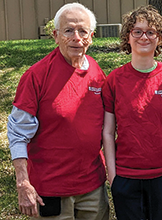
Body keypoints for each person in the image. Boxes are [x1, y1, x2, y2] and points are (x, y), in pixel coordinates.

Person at [7, 3, 109, 219]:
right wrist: (23, 182)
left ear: (91, 36)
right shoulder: (36, 76)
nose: (76, 37)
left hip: (93, 187)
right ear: (55, 35)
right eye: (68, 30)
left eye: (83, 31)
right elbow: (17, 134)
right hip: (50, 190)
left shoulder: (97, 73)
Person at [102, 5, 162, 220]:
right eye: (136, 31)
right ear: (128, 37)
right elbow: (108, 132)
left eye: (151, 32)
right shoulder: (114, 80)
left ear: (159, 38)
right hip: (126, 177)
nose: (143, 37)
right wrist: (113, 174)